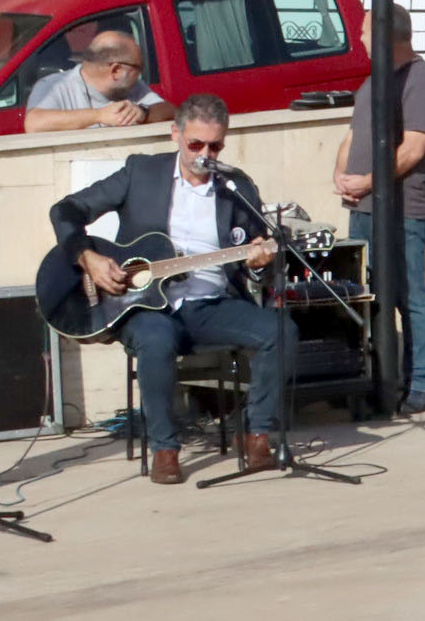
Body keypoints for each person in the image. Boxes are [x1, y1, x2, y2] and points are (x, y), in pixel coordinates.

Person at [52, 98, 288, 482]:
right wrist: (87, 257)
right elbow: (65, 210)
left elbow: (261, 257)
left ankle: (255, 431)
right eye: (196, 144)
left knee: (280, 331)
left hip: (212, 303)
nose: (205, 155)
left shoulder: (236, 187)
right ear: (175, 133)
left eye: (215, 146)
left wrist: (261, 262)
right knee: (156, 339)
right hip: (142, 305)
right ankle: (165, 448)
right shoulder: (141, 172)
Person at [334, 7, 425, 408]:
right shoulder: (373, 83)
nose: (360, 39)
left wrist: (368, 181)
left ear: (385, 36)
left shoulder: (422, 83)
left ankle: (419, 383)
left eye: (365, 31)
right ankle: (375, 380)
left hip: (403, 212)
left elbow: (413, 149)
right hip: (364, 209)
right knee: (367, 296)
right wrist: (340, 174)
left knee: (408, 294)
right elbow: (352, 137)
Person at [24, 23, 168, 134]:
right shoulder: (54, 86)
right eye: (138, 68)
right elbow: (33, 123)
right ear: (116, 71)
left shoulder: (133, 86)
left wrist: (144, 113)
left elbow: (171, 112)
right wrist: (99, 115)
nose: (140, 74)